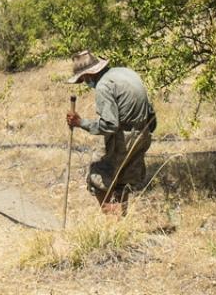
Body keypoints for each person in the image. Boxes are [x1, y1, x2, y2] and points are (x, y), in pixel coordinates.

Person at [65, 50, 157, 215]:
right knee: (123, 182)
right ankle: (121, 222)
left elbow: (109, 124)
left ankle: (112, 222)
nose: (84, 82)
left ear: (88, 75)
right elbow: (150, 110)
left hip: (124, 139)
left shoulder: (104, 86)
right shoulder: (126, 73)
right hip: (143, 134)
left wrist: (80, 123)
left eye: (83, 79)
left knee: (97, 178)